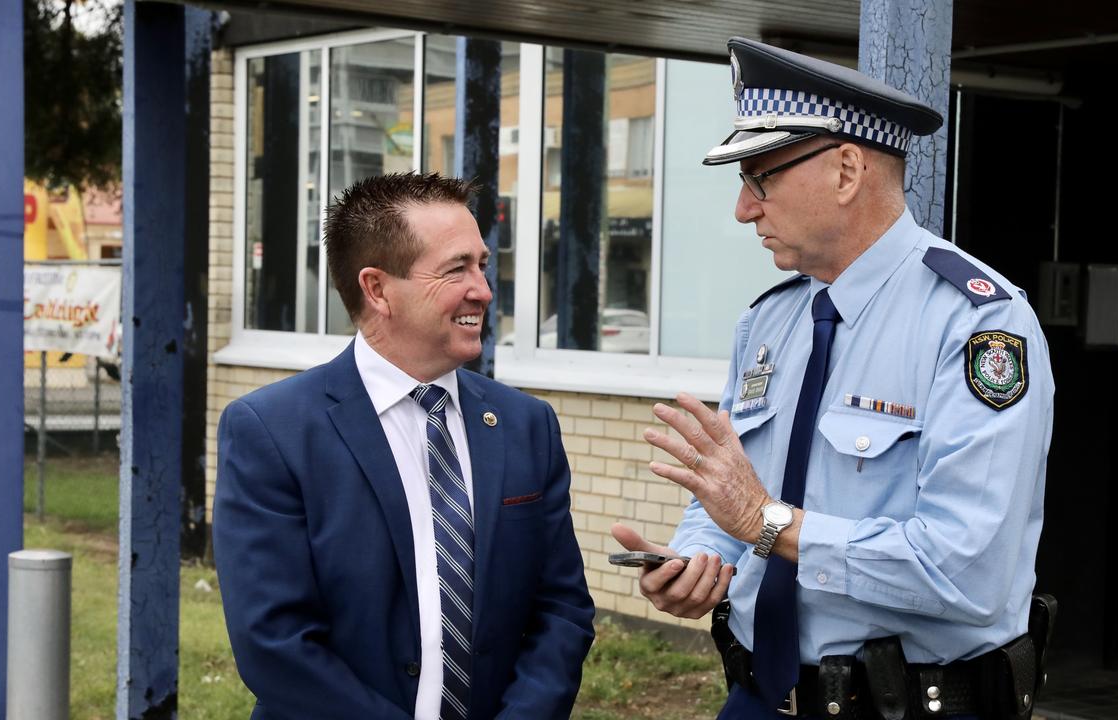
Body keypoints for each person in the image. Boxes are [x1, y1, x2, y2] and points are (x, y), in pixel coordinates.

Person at [612, 38, 1055, 719]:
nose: (743, 209)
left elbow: (968, 572)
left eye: (761, 178)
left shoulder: (977, 326)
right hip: (760, 696)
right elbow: (733, 496)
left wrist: (767, 523)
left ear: (847, 169)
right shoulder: (768, 322)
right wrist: (699, 558)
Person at [215, 172, 595, 720]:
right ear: (377, 289)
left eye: (482, 265)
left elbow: (560, 608)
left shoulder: (525, 425)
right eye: (456, 269)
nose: (483, 290)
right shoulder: (272, 431)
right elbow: (274, 643)